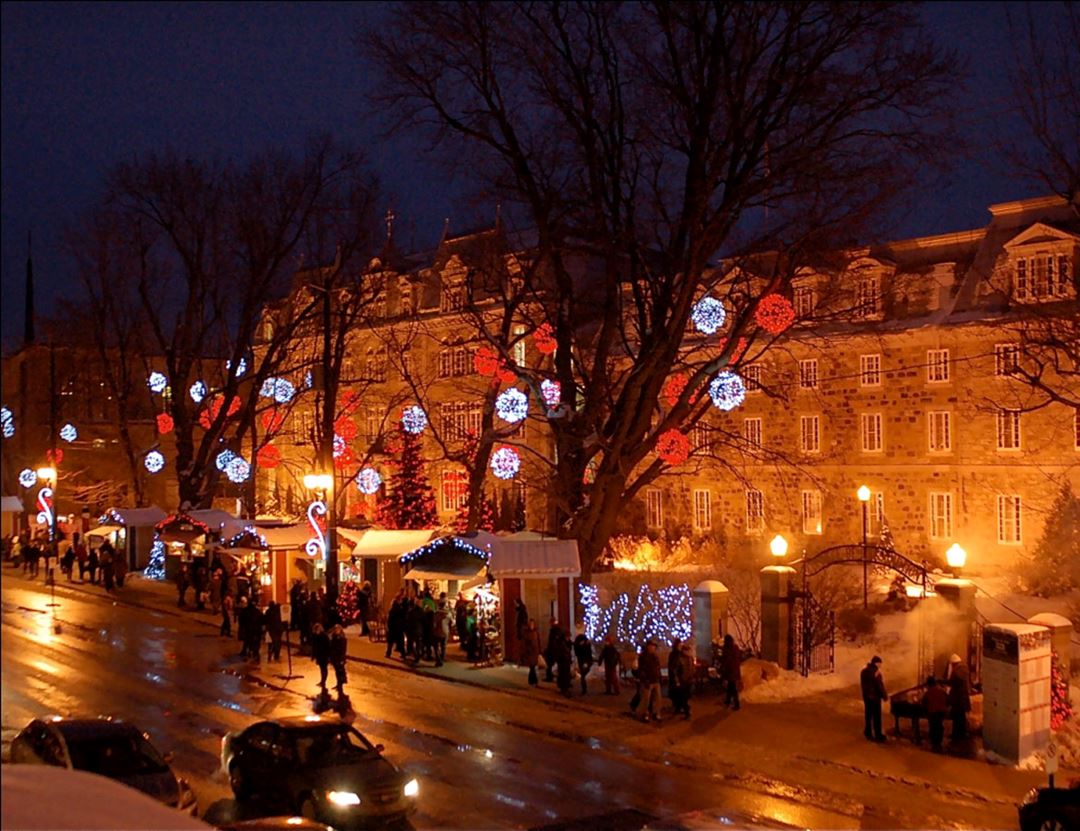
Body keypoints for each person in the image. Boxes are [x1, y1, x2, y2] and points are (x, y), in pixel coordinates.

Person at [860, 655, 888, 742]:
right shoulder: (876, 672)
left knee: (868, 715)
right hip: (875, 697)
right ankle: (878, 735)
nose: (880, 666)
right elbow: (879, 685)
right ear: (876, 663)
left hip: (867, 696)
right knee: (877, 717)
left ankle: (868, 732)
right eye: (880, 664)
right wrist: (884, 696)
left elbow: (864, 684)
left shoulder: (864, 671)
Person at [946, 654, 971, 742]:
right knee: (961, 717)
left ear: (953, 663)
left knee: (957, 718)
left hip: (958, 699)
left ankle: (956, 735)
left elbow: (952, 683)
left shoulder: (956, 671)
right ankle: (962, 733)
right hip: (964, 698)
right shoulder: (965, 669)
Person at [922, 676, 949, 752]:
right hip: (942, 712)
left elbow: (924, 703)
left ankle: (934, 744)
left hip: (933, 712)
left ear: (928, 684)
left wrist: (926, 712)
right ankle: (939, 743)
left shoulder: (928, 692)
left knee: (933, 727)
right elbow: (947, 700)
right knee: (939, 726)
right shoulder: (942, 690)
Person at [638, 641, 663, 722]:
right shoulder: (643, 656)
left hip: (655, 680)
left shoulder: (655, 656)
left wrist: (660, 677)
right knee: (646, 699)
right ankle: (645, 714)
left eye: (654, 646)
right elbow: (641, 670)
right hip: (648, 681)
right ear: (648, 646)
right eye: (652, 646)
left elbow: (658, 668)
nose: (653, 648)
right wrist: (645, 680)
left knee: (657, 698)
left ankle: (656, 713)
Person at [720, 634, 742, 711]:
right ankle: (728, 700)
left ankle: (737, 704)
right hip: (735, 669)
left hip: (730, 670)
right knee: (730, 686)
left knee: (732, 687)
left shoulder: (727, 649)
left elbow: (726, 660)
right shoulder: (735, 648)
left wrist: (723, 668)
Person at [521, 618, 542, 686]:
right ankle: (534, 681)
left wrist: (539, 651)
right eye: (530, 624)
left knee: (533, 667)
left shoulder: (536, 632)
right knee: (532, 667)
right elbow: (524, 643)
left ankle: (531, 681)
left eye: (532, 624)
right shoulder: (526, 633)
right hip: (530, 652)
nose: (531, 625)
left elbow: (538, 641)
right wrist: (525, 652)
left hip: (535, 652)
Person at [573, 629, 594, 695]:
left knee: (583, 674)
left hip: (586, 661)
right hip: (582, 661)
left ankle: (584, 688)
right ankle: (584, 689)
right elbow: (577, 653)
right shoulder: (578, 645)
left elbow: (588, 653)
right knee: (583, 675)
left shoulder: (586, 645)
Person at [311, 623, 331, 689]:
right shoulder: (315, 636)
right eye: (316, 629)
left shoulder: (324, 636)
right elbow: (314, 647)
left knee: (324, 669)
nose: (317, 631)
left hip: (324, 655)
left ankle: (323, 681)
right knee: (322, 669)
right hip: (319, 656)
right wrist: (313, 656)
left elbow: (328, 646)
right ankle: (322, 681)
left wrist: (328, 656)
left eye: (318, 629)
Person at [329, 624, 348, 692]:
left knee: (340, 671)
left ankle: (340, 685)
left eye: (338, 629)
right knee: (337, 672)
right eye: (335, 629)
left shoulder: (342, 638)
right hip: (334, 657)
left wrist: (342, 659)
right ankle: (338, 684)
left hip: (339, 657)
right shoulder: (333, 637)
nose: (336, 631)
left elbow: (343, 650)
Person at [544, 619, 565, 683]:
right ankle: (555, 677)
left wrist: (550, 649)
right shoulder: (559, 630)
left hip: (553, 650)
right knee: (556, 664)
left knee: (549, 664)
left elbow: (552, 641)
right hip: (556, 650)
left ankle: (550, 677)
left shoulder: (554, 630)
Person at [554, 628, 573, 696]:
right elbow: (564, 652)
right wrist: (567, 657)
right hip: (563, 661)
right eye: (568, 637)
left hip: (565, 661)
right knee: (563, 675)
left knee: (565, 674)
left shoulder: (567, 642)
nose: (568, 638)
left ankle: (564, 687)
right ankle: (564, 688)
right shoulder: (562, 643)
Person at [434, 597, 450, 666]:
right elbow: (452, 622)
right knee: (443, 646)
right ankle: (442, 659)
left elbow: (434, 623)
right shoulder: (448, 614)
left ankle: (438, 660)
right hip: (445, 632)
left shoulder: (436, 614)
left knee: (436, 647)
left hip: (437, 632)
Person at [514, 598, 529, 662]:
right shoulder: (522, 610)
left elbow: (520, 620)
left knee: (521, 643)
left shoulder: (520, 611)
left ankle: (522, 658)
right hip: (522, 627)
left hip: (521, 628)